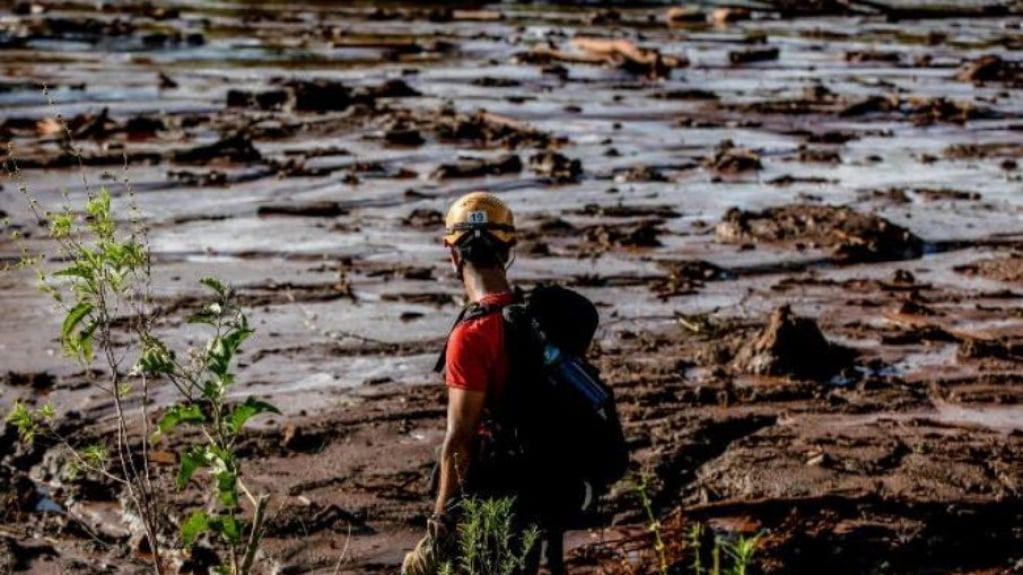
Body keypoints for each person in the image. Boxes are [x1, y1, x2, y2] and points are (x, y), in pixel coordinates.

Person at [401, 191, 553, 575]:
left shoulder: (471, 335)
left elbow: (460, 439)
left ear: (452, 254)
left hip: (496, 494)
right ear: (508, 250)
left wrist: (440, 522)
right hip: (543, 484)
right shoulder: (534, 316)